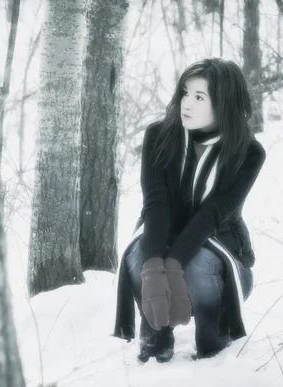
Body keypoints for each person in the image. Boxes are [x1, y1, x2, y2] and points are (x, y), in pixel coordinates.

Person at [112, 58, 266, 362]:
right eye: (184, 93)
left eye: (199, 97)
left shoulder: (248, 151)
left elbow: (213, 213)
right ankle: (157, 329)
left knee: (196, 267)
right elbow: (155, 202)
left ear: (224, 104)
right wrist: (156, 265)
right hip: (164, 236)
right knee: (138, 257)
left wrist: (174, 262)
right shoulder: (159, 136)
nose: (186, 103)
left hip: (221, 256)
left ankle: (214, 337)